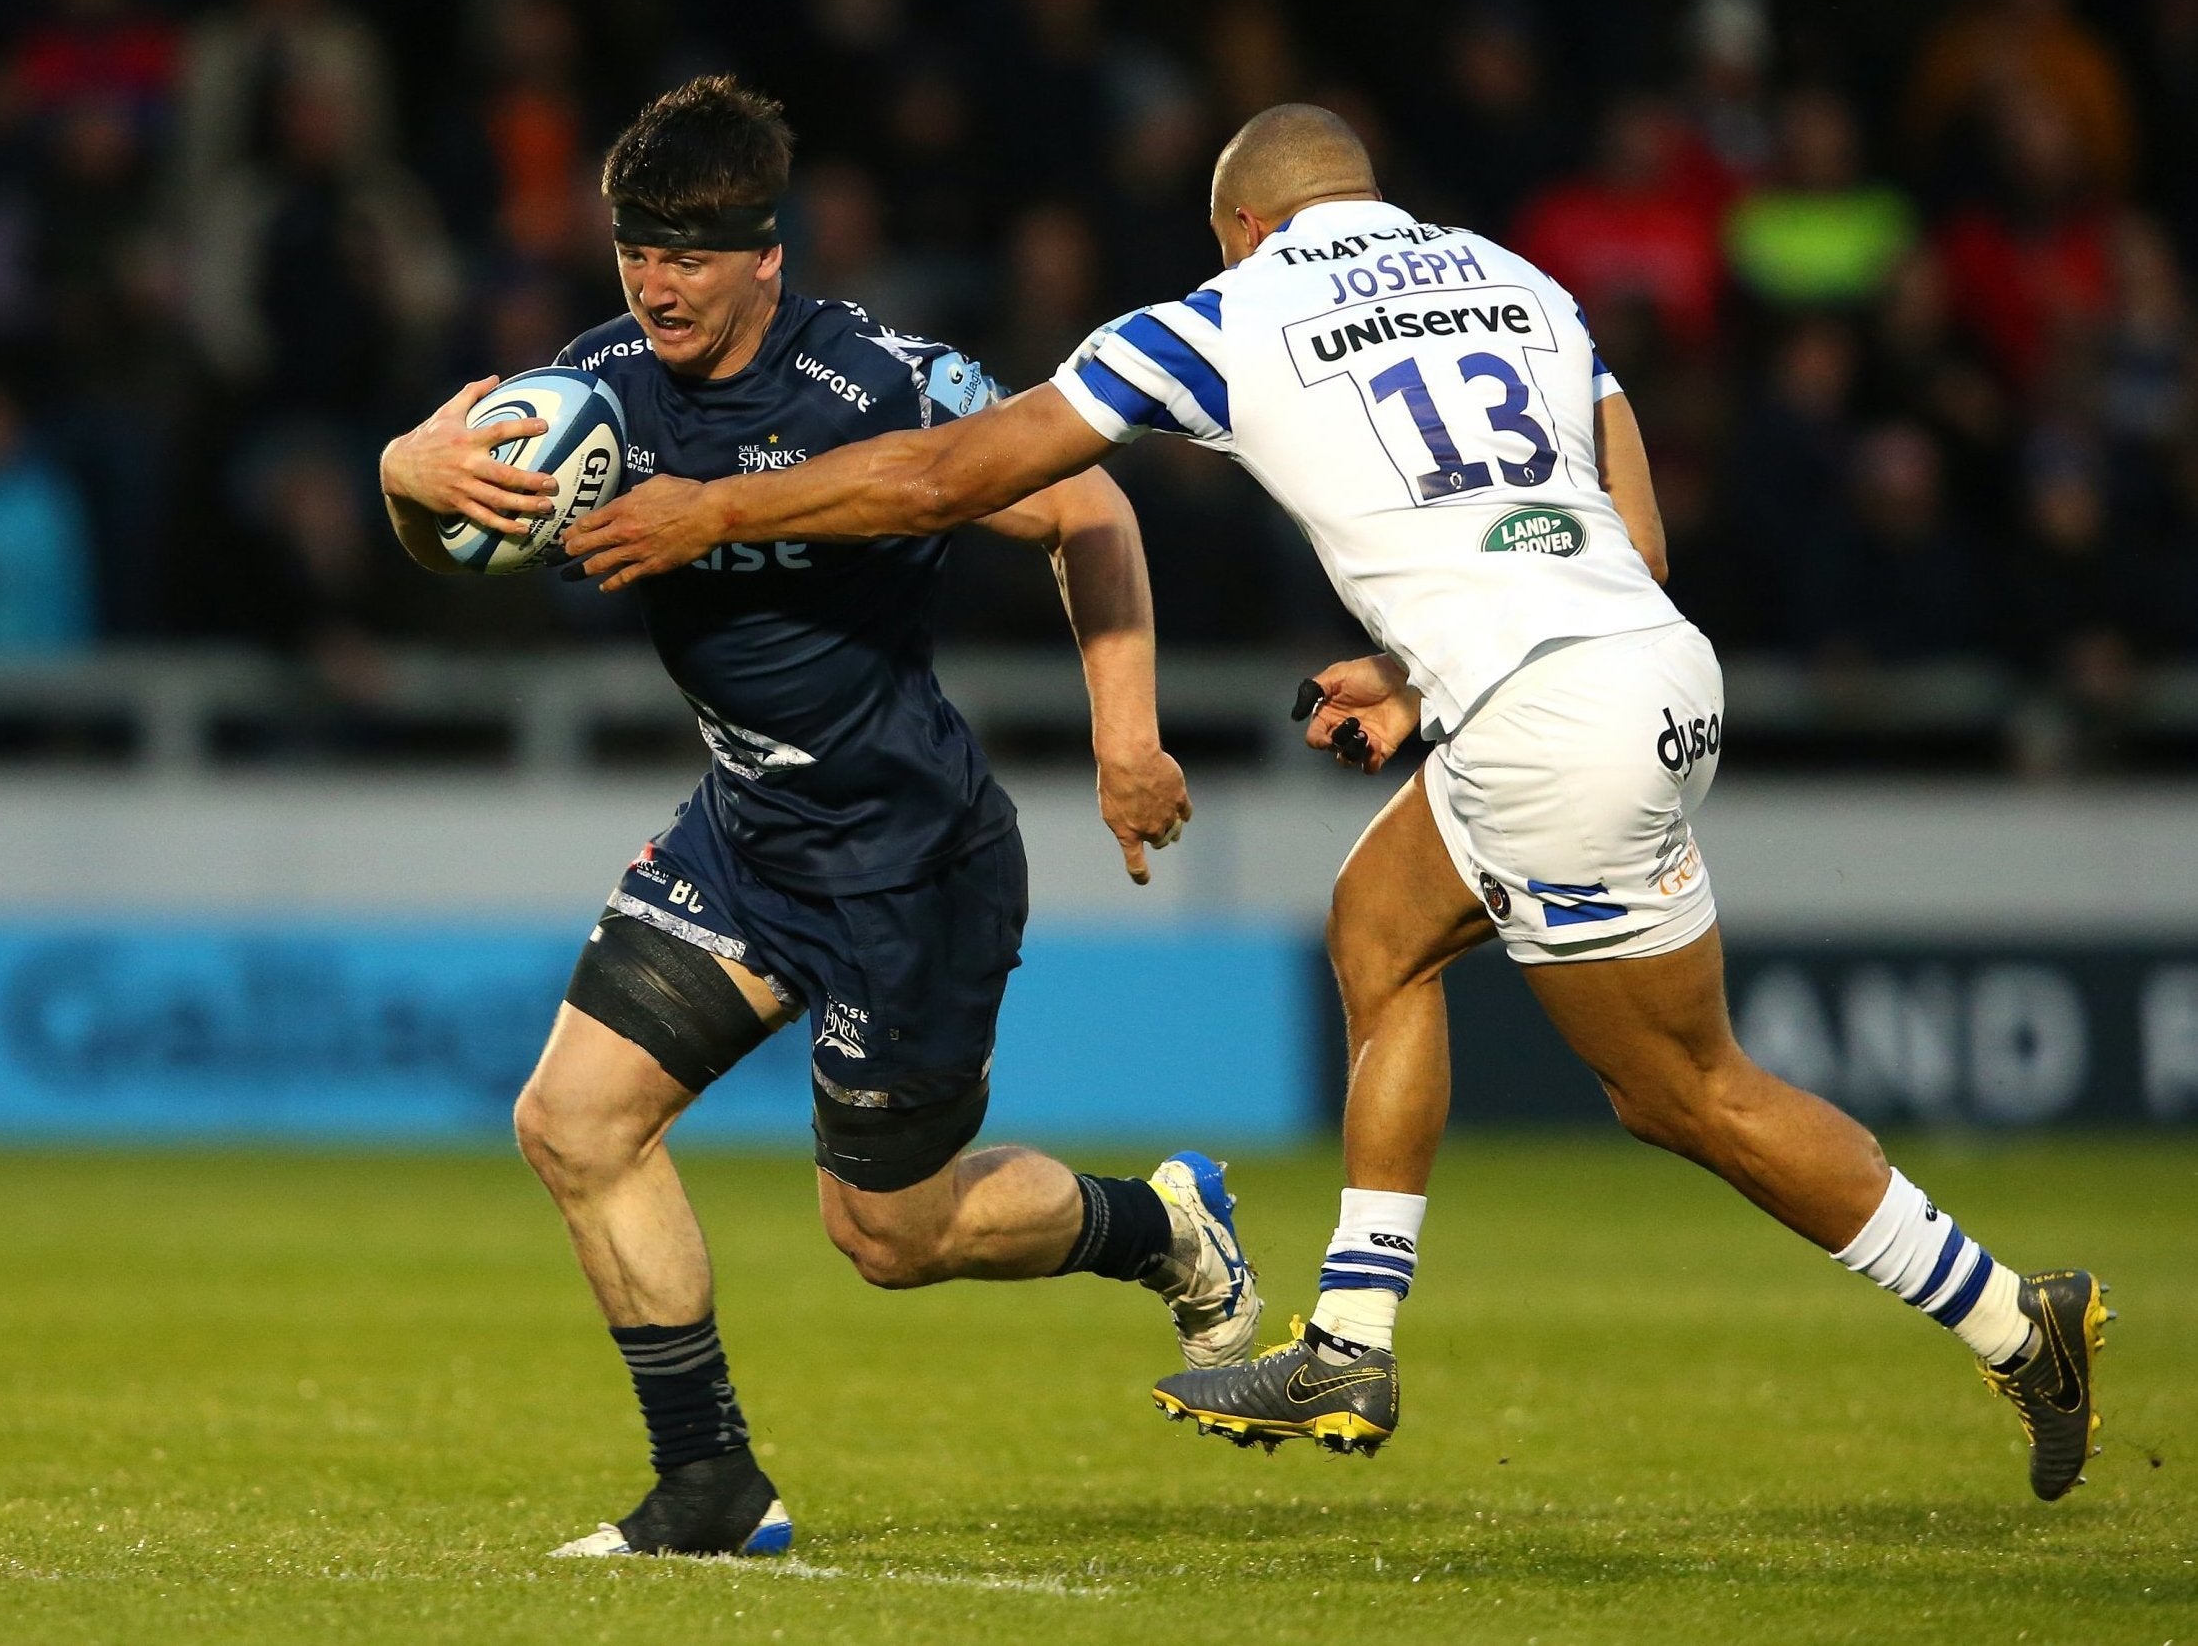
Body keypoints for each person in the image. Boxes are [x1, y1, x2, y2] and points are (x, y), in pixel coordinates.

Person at [560, 103, 2115, 1503]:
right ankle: (1351, 1341)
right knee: (1380, 928)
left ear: (1241, 224)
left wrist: (717, 508)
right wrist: (1424, 676)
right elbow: (1625, 531)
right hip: (1642, 669)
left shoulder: (1232, 311)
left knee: (1682, 1092)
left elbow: (936, 479)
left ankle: (2004, 1313)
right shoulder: (1527, 286)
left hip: (1550, 722)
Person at [377, 77, 1258, 1559]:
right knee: (574, 1124)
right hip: (747, 837)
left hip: (908, 864)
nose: (655, 281)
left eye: (689, 251)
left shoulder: (879, 382)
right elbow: (451, 529)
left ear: (766, 254)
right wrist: (405, 471)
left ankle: (1160, 1225)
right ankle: (711, 1487)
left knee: (889, 1240)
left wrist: (1125, 739)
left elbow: (1089, 508)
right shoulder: (598, 393)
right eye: (634, 248)